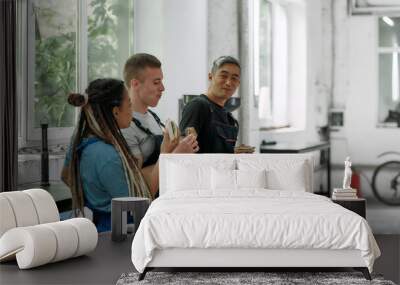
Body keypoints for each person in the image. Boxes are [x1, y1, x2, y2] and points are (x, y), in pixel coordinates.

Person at [61, 78, 196, 232]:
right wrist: (167, 155)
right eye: (130, 104)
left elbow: (66, 176)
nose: (132, 110)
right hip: (117, 232)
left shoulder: (82, 140)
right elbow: (139, 204)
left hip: (100, 223)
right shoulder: (107, 156)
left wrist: (95, 195)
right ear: (116, 111)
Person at [122, 53, 198, 186]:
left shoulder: (153, 116)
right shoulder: (125, 126)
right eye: (156, 82)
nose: (162, 88)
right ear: (135, 84)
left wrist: (182, 144)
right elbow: (138, 187)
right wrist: (176, 153)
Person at [179, 56, 241, 153]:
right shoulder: (198, 106)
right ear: (210, 76)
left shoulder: (229, 118)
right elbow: (183, 152)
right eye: (223, 76)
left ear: (238, 83)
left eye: (234, 78)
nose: (229, 82)